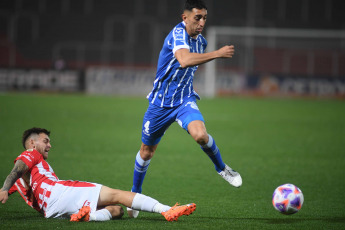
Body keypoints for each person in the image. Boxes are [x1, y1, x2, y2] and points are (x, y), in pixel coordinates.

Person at [128, 0, 242, 218]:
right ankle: (135, 194)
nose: (201, 22)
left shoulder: (201, 42)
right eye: (197, 17)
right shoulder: (177, 35)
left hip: (184, 101)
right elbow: (184, 60)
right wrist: (217, 53)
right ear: (185, 17)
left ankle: (222, 168)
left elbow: (189, 67)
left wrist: (184, 89)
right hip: (159, 105)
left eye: (205, 18)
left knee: (200, 135)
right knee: (146, 151)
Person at [0, 127, 196, 222]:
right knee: (117, 194)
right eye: (46, 141)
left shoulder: (24, 179)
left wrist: (5, 190)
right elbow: (16, 169)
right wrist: (4, 187)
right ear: (33, 143)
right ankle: (166, 209)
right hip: (57, 193)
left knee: (117, 210)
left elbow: (15, 179)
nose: (49, 145)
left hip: (51, 212)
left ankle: (88, 217)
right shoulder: (30, 154)